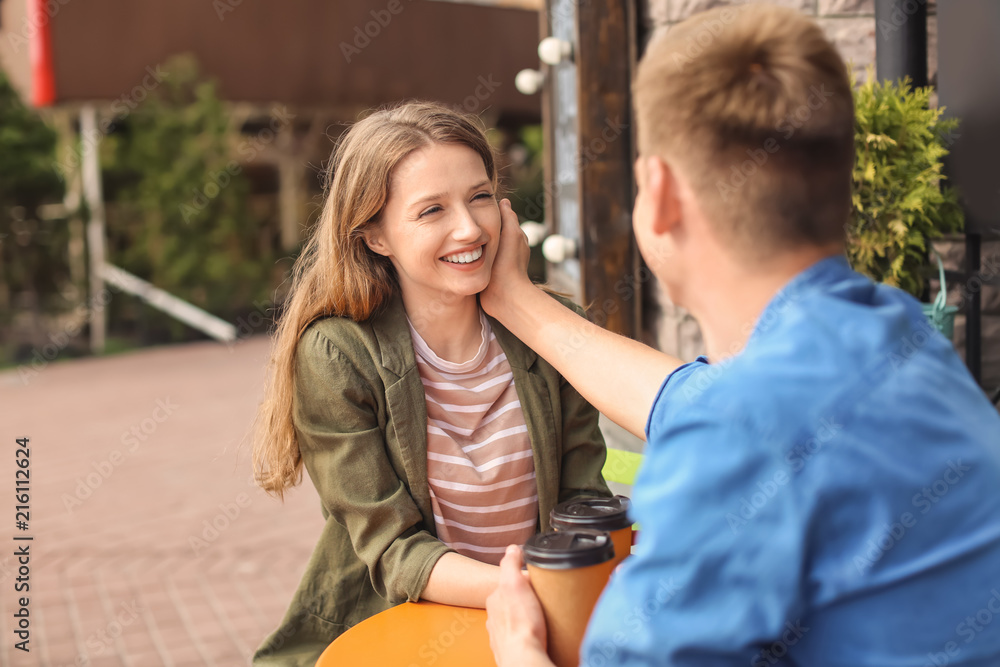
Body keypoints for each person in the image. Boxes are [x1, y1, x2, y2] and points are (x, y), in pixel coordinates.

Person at [482, 5, 1000, 666]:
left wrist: (520, 648)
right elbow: (691, 400)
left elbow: (736, 429)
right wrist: (515, 300)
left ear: (661, 193)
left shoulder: (741, 436)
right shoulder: (897, 333)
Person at [249, 101, 611, 666]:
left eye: (481, 196)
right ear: (375, 236)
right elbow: (394, 551)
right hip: (400, 634)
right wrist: (522, 592)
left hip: (545, 627)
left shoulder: (553, 329)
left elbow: (584, 500)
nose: (469, 228)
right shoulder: (337, 354)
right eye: (431, 211)